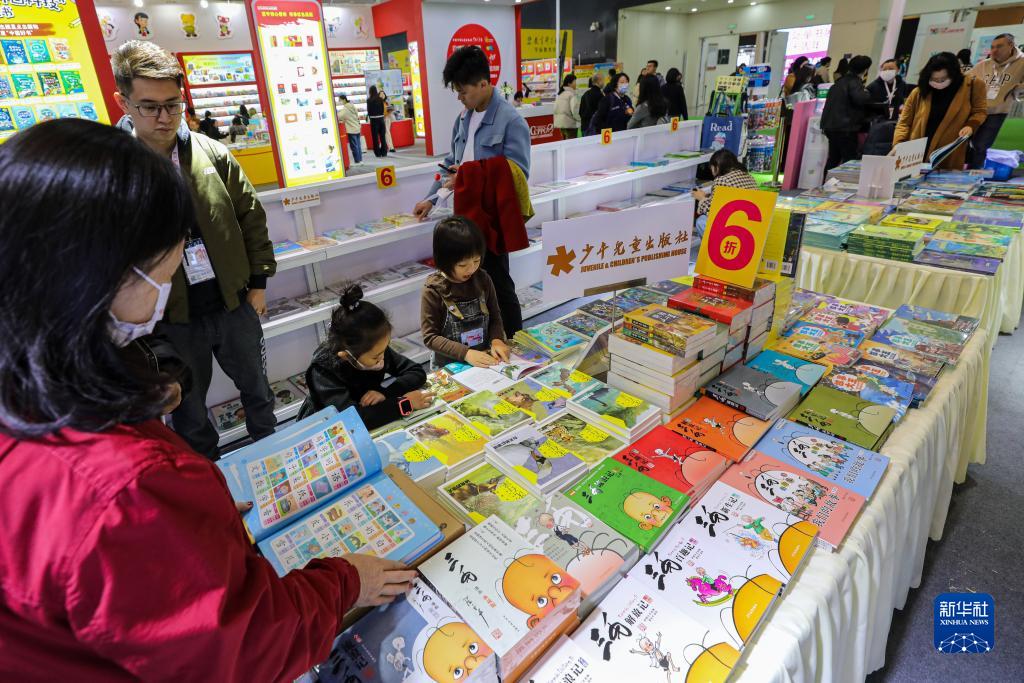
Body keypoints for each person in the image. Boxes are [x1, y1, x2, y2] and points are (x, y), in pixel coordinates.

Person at [0, 118, 417, 680]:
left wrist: (193, 524)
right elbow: (241, 647)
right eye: (166, 267)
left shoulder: (35, 385)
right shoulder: (123, 488)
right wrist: (346, 581)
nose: (170, 284)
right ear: (100, 276)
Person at [112, 40, 278, 459]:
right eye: (150, 107)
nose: (165, 117)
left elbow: (250, 216)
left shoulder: (212, 153)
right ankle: (208, 473)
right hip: (171, 319)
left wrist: (258, 282)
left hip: (233, 304)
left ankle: (273, 452)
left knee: (258, 389)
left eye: (173, 104)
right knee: (188, 411)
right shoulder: (113, 169)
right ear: (123, 102)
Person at [412, 45, 530, 336]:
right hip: (465, 215)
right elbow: (452, 163)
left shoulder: (511, 121)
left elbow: (517, 174)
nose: (460, 97)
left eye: (463, 91)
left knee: (499, 284)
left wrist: (466, 177)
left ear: (483, 83)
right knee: (470, 285)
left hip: (491, 219)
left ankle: (515, 341)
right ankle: (485, 341)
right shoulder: (463, 118)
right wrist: (431, 199)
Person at [297, 285, 432, 429]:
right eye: (375, 357)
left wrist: (385, 393)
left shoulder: (373, 347)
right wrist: (404, 403)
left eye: (384, 349)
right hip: (326, 427)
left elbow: (416, 371)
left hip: (369, 414)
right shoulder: (322, 371)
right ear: (346, 356)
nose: (382, 359)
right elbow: (351, 420)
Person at [421, 216, 510, 369]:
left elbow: (495, 316)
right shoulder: (433, 290)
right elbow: (430, 337)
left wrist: (497, 339)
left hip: (484, 358)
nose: (471, 269)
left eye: (476, 261)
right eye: (463, 265)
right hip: (450, 365)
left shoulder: (483, 279)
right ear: (444, 261)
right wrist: (466, 353)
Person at [894, 51, 987, 170]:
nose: (938, 83)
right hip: (914, 153)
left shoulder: (972, 85)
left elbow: (980, 111)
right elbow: (904, 122)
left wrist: (971, 125)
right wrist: (899, 144)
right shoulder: (919, 91)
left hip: (948, 152)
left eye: (943, 79)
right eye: (934, 79)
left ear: (953, 75)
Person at [969, 33, 1024, 169]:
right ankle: (966, 171)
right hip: (976, 111)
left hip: (998, 112)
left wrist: (1019, 88)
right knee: (966, 143)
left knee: (981, 145)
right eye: (992, 47)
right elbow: (965, 80)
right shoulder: (984, 65)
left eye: (999, 46)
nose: (994, 50)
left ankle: (975, 173)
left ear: (1011, 45)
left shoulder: (1022, 63)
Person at [691, 149, 758, 248]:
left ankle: (713, 250)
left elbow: (714, 211)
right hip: (750, 225)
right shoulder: (749, 177)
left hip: (733, 226)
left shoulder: (722, 179)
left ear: (717, 166)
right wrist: (707, 197)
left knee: (701, 221)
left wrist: (701, 198)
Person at [820, 55, 878, 172]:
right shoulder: (855, 83)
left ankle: (826, 182)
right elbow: (861, 99)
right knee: (848, 161)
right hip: (845, 128)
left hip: (830, 126)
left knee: (833, 159)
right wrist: (868, 94)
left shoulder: (838, 83)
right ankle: (843, 183)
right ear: (865, 70)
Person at [553, 73, 580, 139]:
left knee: (565, 143)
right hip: (570, 124)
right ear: (569, 84)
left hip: (561, 124)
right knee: (571, 143)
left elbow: (555, 109)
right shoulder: (571, 94)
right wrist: (580, 120)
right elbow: (575, 110)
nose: (576, 84)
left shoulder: (560, 94)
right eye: (574, 82)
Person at [338, 93, 363, 164]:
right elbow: (356, 116)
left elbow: (339, 117)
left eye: (340, 100)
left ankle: (357, 161)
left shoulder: (345, 109)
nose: (339, 102)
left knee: (354, 146)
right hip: (357, 128)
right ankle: (360, 160)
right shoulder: (352, 106)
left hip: (351, 129)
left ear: (343, 100)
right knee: (358, 145)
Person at [367, 85, 387, 157]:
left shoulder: (369, 100)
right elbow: (382, 109)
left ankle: (377, 153)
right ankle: (384, 152)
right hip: (381, 119)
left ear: (370, 91)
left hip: (373, 120)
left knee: (375, 138)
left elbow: (369, 111)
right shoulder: (380, 99)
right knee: (382, 137)